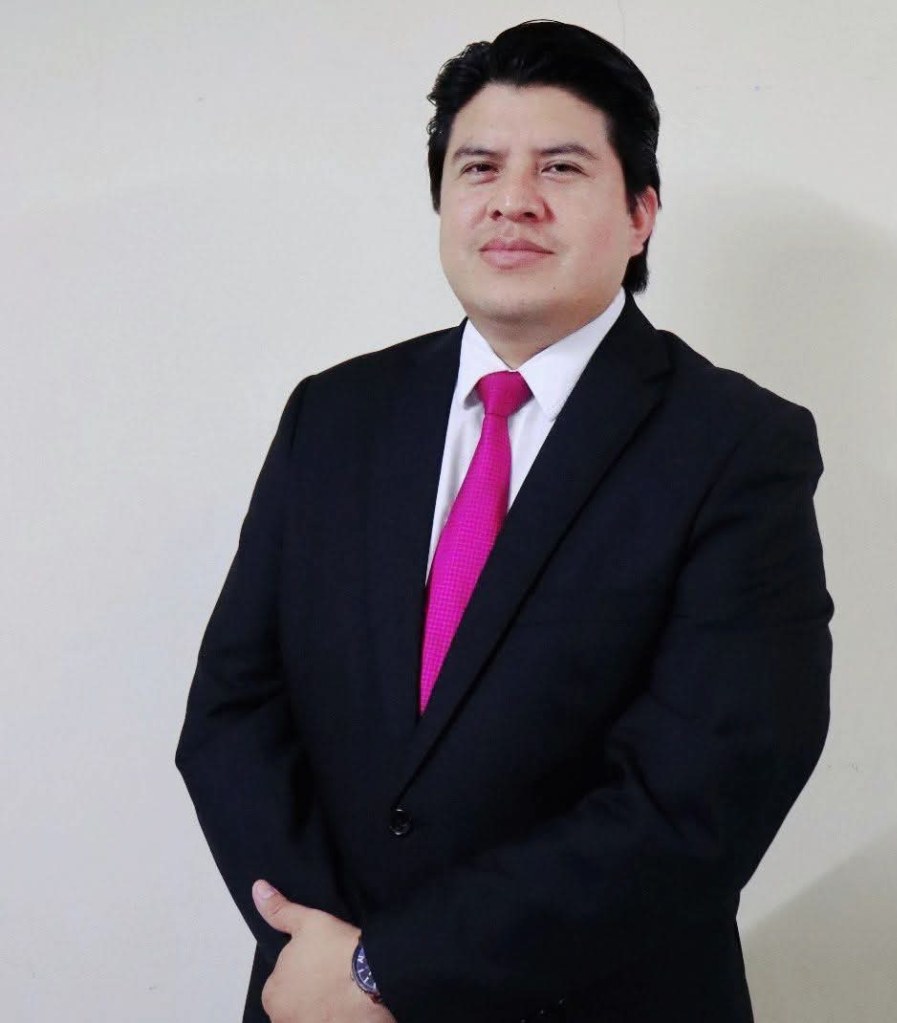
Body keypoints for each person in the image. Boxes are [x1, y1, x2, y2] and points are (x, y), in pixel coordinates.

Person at [176, 19, 833, 1023]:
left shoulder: (737, 447)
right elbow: (233, 711)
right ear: (443, 200)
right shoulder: (334, 416)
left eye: (560, 167)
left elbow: (697, 801)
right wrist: (322, 952)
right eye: (478, 166)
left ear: (640, 212)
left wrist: (389, 969)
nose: (511, 199)